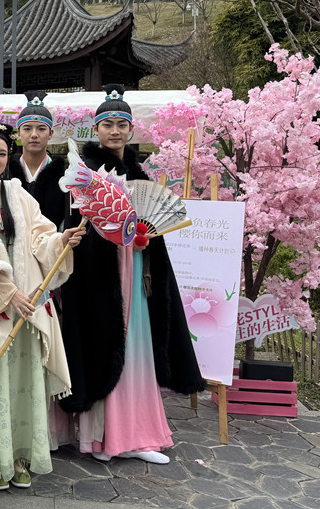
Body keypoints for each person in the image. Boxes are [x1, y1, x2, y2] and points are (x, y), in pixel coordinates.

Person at [50, 84, 206, 464]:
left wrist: (142, 241)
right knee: (103, 345)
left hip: (136, 274)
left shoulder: (140, 174)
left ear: (132, 130)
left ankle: (134, 436)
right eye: (108, 124)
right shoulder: (85, 173)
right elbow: (74, 226)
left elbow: (153, 228)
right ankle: (101, 438)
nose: (115, 131)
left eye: (122, 124)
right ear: (96, 130)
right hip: (98, 276)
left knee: (136, 348)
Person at [0, 120, 85, 490]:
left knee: (26, 377)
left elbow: (40, 236)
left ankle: (21, 455)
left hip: (29, 298)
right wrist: (8, 293)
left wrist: (61, 240)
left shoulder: (19, 195)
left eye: (1, 153)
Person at [7, 91, 68, 225]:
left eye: (41, 129)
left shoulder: (65, 175)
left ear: (50, 134)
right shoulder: (5, 171)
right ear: (18, 133)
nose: (34, 135)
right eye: (27, 129)